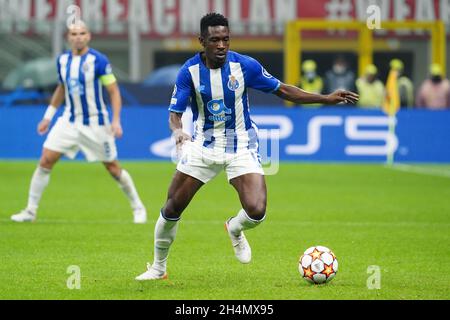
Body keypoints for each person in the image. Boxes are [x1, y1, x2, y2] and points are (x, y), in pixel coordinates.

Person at [135, 13, 358, 281]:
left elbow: (283, 90)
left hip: (241, 145)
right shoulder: (189, 72)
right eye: (215, 40)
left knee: (256, 210)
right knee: (172, 208)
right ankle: (158, 268)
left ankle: (234, 228)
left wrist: (326, 98)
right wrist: (178, 131)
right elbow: (175, 113)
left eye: (225, 39)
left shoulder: (245, 66)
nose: (221, 45)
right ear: (202, 41)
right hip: (203, 147)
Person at [10, 21, 147, 224]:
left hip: (96, 123)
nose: (78, 37)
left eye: (82, 33)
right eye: (74, 33)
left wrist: (116, 120)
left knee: (113, 168)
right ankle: (30, 211)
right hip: (69, 121)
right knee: (46, 160)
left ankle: (138, 207)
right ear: (69, 37)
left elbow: (113, 91)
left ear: (88, 36)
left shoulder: (98, 60)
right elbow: (61, 88)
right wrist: (48, 116)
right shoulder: (63, 60)